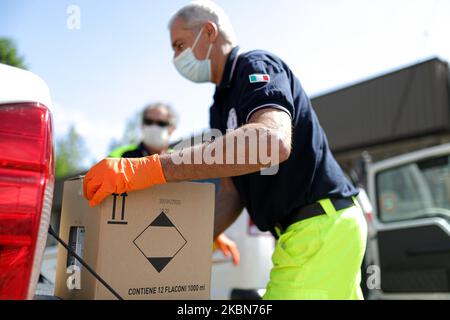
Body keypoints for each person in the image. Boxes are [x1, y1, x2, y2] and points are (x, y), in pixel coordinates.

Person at [83, 0, 367, 300]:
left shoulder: (255, 67)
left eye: (179, 45)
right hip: (312, 232)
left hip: (319, 227)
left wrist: (151, 168)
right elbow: (232, 195)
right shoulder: (219, 107)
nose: (176, 57)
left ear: (208, 31)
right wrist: (198, 239)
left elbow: (272, 141)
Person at [109, 102, 240, 266]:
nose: (154, 127)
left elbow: (184, 207)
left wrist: (216, 234)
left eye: (161, 123)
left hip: (165, 245)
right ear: (142, 125)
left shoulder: (180, 162)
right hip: (124, 245)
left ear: (172, 128)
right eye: (149, 121)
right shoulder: (119, 157)